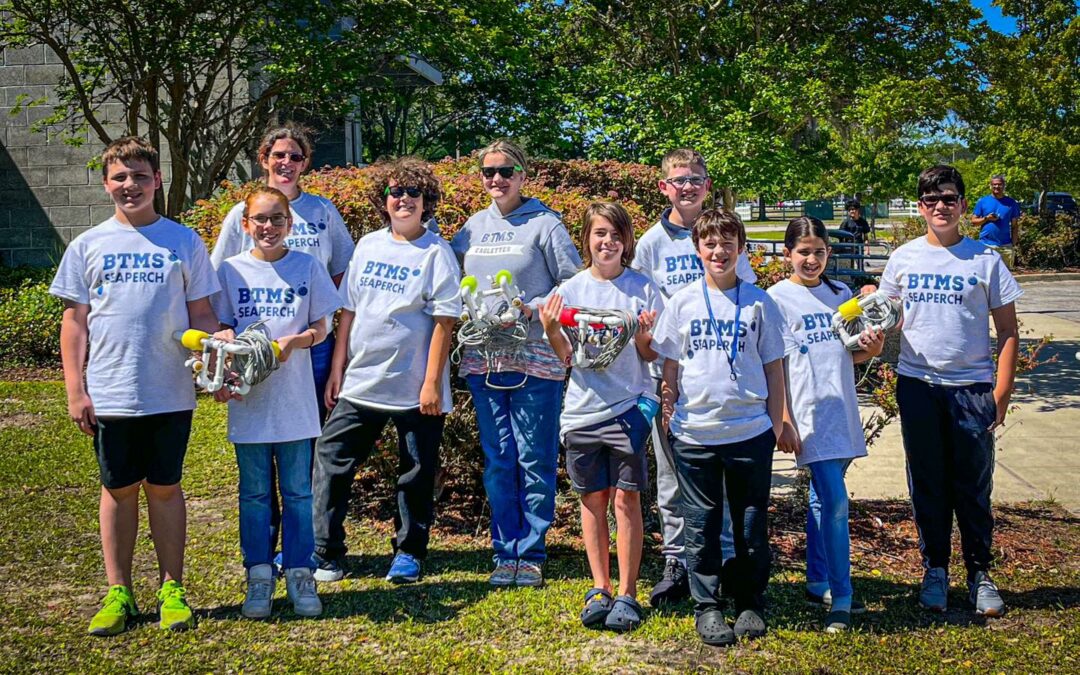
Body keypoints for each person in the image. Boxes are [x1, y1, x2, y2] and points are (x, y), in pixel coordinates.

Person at [50, 137, 220, 636]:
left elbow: (203, 314)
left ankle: (172, 589)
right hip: (111, 391)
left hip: (169, 390)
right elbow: (74, 322)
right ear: (106, 185)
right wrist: (75, 390)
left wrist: (218, 350)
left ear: (157, 181)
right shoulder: (89, 245)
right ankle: (118, 591)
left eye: (140, 177)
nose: (130, 186)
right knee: (118, 489)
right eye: (120, 177)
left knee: (165, 489)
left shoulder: (183, 241)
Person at [211, 124, 354, 579]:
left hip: (308, 347)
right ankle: (262, 556)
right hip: (253, 353)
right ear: (264, 159)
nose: (286, 163)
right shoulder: (240, 214)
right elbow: (222, 287)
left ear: (305, 163)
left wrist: (309, 311)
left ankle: (307, 553)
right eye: (278, 155)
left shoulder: (322, 211)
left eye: (294, 156)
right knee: (257, 460)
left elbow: (340, 274)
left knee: (304, 450)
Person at [879, 165, 1021, 617]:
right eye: (930, 199)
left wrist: (1001, 392)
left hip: (972, 389)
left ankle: (980, 573)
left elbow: (1008, 330)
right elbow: (887, 319)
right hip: (918, 386)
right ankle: (935, 570)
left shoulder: (985, 259)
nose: (940, 206)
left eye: (948, 198)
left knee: (973, 486)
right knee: (927, 483)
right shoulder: (903, 258)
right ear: (920, 207)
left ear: (963, 204)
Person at [312, 157, 461, 584]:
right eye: (396, 192)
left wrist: (432, 383)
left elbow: (444, 321)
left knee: (415, 472)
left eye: (413, 194)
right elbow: (350, 312)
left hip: (416, 390)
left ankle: (409, 552)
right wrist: (338, 368)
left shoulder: (437, 253)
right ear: (385, 200)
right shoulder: (368, 246)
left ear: (426, 202)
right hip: (362, 381)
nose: (404, 200)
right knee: (331, 459)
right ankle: (326, 552)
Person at [651, 209, 788, 646]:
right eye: (710, 244)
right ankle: (707, 606)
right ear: (698, 250)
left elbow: (774, 367)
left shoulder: (760, 302)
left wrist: (778, 420)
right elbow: (669, 365)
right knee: (701, 524)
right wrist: (669, 413)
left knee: (749, 525)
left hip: (750, 430)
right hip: (695, 434)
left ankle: (749, 601)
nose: (719, 251)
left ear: (741, 249)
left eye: (728, 243)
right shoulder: (682, 302)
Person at [450, 139, 581, 587]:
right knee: (499, 459)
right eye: (488, 172)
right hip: (483, 360)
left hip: (536, 361)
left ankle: (532, 552)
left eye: (506, 171)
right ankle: (505, 551)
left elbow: (573, 283)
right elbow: (449, 281)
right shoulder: (471, 228)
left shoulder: (546, 224)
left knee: (534, 458)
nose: (497, 179)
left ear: (523, 175)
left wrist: (533, 308)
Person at [630, 148, 755, 606]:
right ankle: (677, 560)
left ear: (707, 184)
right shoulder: (650, 244)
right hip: (668, 376)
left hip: (719, 376)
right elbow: (640, 307)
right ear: (664, 187)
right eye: (678, 180)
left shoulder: (726, 234)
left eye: (696, 179)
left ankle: (721, 561)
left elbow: (746, 300)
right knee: (670, 474)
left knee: (717, 479)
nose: (687, 187)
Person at [538, 202, 663, 632]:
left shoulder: (642, 288)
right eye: (598, 234)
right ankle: (600, 587)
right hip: (582, 413)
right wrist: (553, 327)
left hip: (629, 407)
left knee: (627, 501)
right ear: (586, 239)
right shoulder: (571, 290)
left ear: (626, 241)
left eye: (615, 234)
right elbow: (567, 358)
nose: (606, 242)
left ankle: (628, 592)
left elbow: (650, 355)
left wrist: (645, 335)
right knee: (593, 502)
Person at [766, 216, 885, 633]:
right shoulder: (775, 299)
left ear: (829, 254)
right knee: (835, 502)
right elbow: (775, 365)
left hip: (842, 412)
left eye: (819, 252)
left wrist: (873, 348)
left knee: (821, 500)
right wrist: (782, 419)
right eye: (803, 252)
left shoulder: (840, 295)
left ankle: (817, 580)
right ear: (787, 255)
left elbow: (847, 353)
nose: (812, 259)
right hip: (807, 417)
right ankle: (843, 597)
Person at [972, 175, 1021, 268]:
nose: (997, 187)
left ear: (1004, 185)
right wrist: (986, 218)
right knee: (986, 275)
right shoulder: (983, 201)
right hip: (986, 244)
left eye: (999, 184)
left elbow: (1015, 225)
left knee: (1005, 277)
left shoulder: (1011, 203)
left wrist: (1013, 244)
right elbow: (974, 222)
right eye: (994, 184)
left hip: (1005, 246)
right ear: (990, 186)